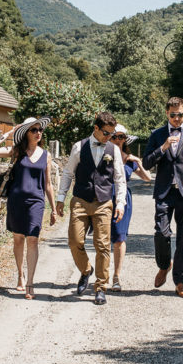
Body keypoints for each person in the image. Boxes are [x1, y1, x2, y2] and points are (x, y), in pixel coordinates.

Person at [54, 112, 127, 306]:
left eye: (112, 134)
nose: (109, 137)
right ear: (95, 128)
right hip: (80, 199)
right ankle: (86, 270)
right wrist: (61, 198)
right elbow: (68, 173)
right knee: (74, 240)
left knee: (102, 246)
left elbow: (119, 179)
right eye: (106, 133)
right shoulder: (79, 146)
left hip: (103, 202)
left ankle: (101, 287)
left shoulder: (114, 150)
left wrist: (120, 203)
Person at [143, 97, 183, 298]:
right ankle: (164, 265)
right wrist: (162, 148)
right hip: (164, 193)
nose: (177, 118)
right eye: (173, 115)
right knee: (161, 233)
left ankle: (180, 281)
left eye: (180, 114)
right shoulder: (157, 134)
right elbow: (145, 163)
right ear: (166, 113)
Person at [0, 117, 55, 300]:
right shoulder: (17, 151)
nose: (38, 132)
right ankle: (20, 274)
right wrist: (8, 134)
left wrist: (54, 209)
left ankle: (30, 282)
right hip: (16, 201)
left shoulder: (46, 155)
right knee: (18, 239)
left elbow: (48, 184)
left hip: (36, 202)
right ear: (25, 133)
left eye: (40, 129)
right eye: (33, 130)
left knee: (33, 239)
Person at [108, 124, 152, 292]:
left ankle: (116, 276)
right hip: (105, 197)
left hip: (123, 199)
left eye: (121, 137)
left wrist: (139, 162)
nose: (118, 140)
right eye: (114, 137)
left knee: (120, 237)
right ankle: (102, 274)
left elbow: (147, 177)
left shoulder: (129, 158)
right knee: (103, 238)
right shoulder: (104, 155)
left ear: (125, 140)